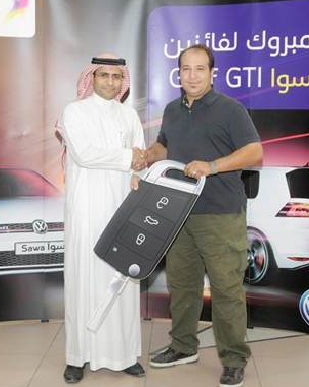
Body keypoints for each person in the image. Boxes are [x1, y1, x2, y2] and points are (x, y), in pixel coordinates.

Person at [146, 44, 263, 387]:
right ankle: (183, 346)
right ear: (178, 73)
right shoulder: (172, 110)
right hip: (178, 212)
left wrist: (212, 166)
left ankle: (234, 359)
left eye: (200, 69)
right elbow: (165, 144)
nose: (192, 76)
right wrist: (149, 154)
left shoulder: (230, 109)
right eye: (186, 69)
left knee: (226, 289)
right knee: (182, 285)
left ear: (213, 74)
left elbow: (254, 152)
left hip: (220, 214)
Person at [58, 54, 147, 383]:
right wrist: (129, 158)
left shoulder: (129, 115)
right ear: (91, 78)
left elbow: (141, 159)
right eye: (103, 75)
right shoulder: (74, 111)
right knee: (83, 280)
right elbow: (84, 154)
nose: (110, 82)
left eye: (116, 76)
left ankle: (124, 355)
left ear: (123, 81)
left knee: (121, 280)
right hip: (86, 211)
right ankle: (76, 356)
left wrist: (139, 169)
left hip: (122, 209)